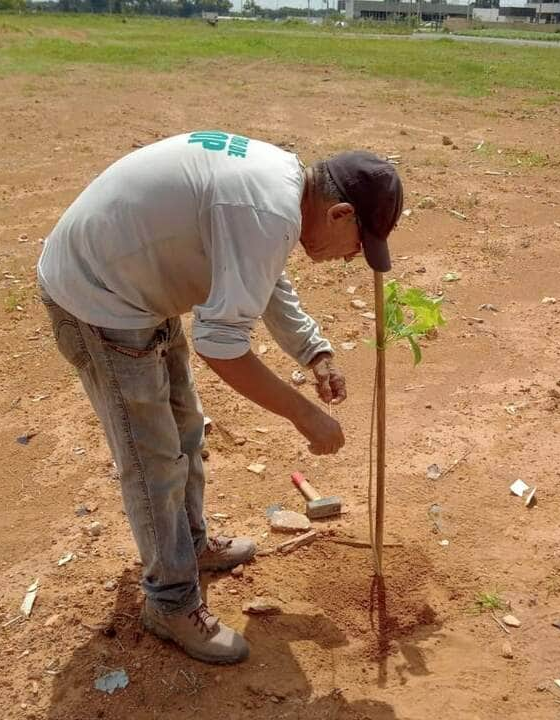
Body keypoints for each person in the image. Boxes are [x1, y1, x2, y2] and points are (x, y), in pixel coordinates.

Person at [37, 130, 403, 665]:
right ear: (342, 213)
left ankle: (188, 546)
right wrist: (305, 416)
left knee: (185, 430)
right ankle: (169, 600)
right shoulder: (268, 211)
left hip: (135, 287)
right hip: (98, 298)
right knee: (152, 460)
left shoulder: (280, 185)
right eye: (360, 246)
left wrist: (314, 353)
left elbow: (263, 275)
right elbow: (223, 348)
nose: (353, 260)